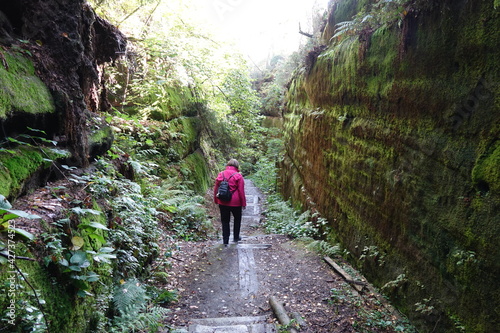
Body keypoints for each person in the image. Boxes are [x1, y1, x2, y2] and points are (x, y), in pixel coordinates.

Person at [213, 159, 246, 245]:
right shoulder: (238, 176)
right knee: (237, 219)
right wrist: (243, 203)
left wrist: (216, 199)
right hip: (236, 202)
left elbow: (216, 188)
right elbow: (241, 191)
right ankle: (236, 237)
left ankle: (225, 241)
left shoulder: (221, 174)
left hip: (223, 201)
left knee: (225, 221)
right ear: (237, 166)